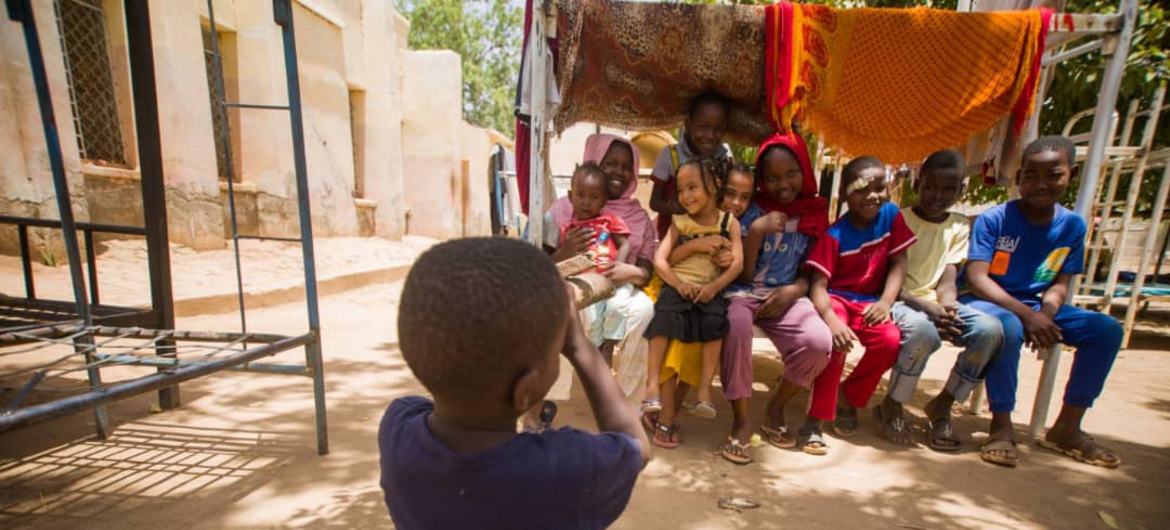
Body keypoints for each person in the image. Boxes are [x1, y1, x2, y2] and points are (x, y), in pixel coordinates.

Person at [379, 238, 651, 529]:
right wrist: (578, 344)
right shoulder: (563, 473)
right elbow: (636, 446)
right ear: (524, 392)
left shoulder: (397, 427)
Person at [962, 135, 1122, 468]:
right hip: (993, 301)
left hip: (1038, 306)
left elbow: (1059, 282)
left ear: (1070, 175)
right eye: (1031, 175)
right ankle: (1002, 424)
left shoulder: (1072, 226)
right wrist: (1026, 315)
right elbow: (978, 279)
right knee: (1006, 326)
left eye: (1053, 174)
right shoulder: (995, 219)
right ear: (1019, 178)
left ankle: (1068, 424)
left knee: (1106, 330)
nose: (1040, 184)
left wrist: (1046, 314)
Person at [713, 132, 834, 464]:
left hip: (791, 293)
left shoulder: (816, 210)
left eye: (791, 173)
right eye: (773, 178)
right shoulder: (752, 209)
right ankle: (740, 419)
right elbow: (744, 275)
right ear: (762, 182)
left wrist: (794, 290)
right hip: (744, 291)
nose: (783, 184)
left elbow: (815, 263)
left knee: (819, 341)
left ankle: (776, 406)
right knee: (736, 325)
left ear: (805, 170)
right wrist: (757, 232)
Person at [878, 149, 1004, 450]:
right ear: (917, 183)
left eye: (948, 189)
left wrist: (947, 308)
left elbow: (949, 277)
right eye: (931, 186)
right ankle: (893, 403)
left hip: (935, 301)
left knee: (990, 330)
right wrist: (927, 308)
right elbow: (890, 279)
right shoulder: (898, 219)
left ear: (961, 190)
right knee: (923, 331)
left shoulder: (959, 225)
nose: (937, 195)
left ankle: (944, 404)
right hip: (900, 299)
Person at [803, 156, 916, 455]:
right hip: (837, 300)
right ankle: (815, 419)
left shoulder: (891, 216)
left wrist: (886, 301)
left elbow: (898, 263)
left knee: (890, 341)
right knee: (834, 343)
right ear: (846, 195)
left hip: (870, 303)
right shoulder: (834, 235)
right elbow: (818, 286)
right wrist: (831, 319)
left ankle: (848, 396)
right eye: (862, 189)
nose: (873, 196)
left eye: (879, 187)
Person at [643, 160, 744, 448]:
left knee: (714, 325)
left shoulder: (729, 224)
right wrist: (678, 282)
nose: (686, 196)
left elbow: (737, 265)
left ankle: (703, 391)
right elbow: (660, 261)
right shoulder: (679, 222)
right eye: (681, 189)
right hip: (677, 286)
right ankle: (652, 386)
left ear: (713, 186)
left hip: (708, 292)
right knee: (664, 321)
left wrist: (714, 288)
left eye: (693, 188)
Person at [546, 134, 658, 391]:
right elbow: (540, 266)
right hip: (574, 282)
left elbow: (646, 272)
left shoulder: (637, 216)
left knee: (644, 310)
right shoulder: (564, 208)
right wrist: (567, 251)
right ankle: (554, 394)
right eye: (610, 164)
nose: (619, 172)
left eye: (627, 166)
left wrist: (630, 271)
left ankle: (628, 396)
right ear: (595, 162)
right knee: (567, 306)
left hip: (621, 286)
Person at [649, 91, 733, 239]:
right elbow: (654, 202)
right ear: (688, 125)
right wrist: (680, 208)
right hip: (672, 240)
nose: (710, 135)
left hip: (710, 239)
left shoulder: (724, 158)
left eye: (718, 129)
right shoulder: (671, 155)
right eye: (703, 127)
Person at [555, 163, 632, 272]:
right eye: (581, 195)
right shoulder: (568, 230)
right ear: (571, 197)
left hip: (609, 278)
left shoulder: (609, 222)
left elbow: (625, 244)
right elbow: (562, 259)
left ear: (604, 201)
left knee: (626, 289)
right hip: (581, 281)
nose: (586, 202)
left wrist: (618, 266)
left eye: (594, 197)